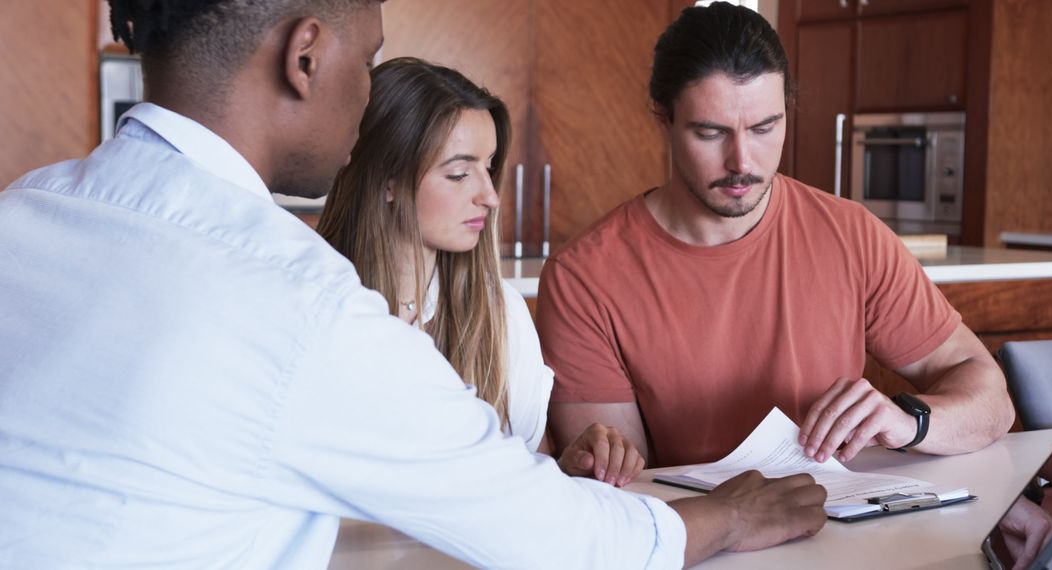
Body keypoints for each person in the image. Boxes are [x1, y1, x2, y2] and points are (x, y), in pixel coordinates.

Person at [0, 1, 827, 568]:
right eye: (368, 60)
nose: (369, 95)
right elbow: (562, 543)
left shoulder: (21, 214)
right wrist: (730, 515)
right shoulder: (301, 305)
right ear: (305, 56)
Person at [536, 2, 1015, 469]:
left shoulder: (851, 235)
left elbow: (992, 400)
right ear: (663, 118)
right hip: (697, 524)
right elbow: (624, 492)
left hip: (844, 515)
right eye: (710, 133)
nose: (742, 161)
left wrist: (909, 423)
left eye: (764, 127)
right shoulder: (585, 277)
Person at [317, 57, 643, 486]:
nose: (490, 196)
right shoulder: (310, 306)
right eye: (458, 174)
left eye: (488, 168)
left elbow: (523, 477)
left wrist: (569, 470)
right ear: (388, 180)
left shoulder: (502, 313)